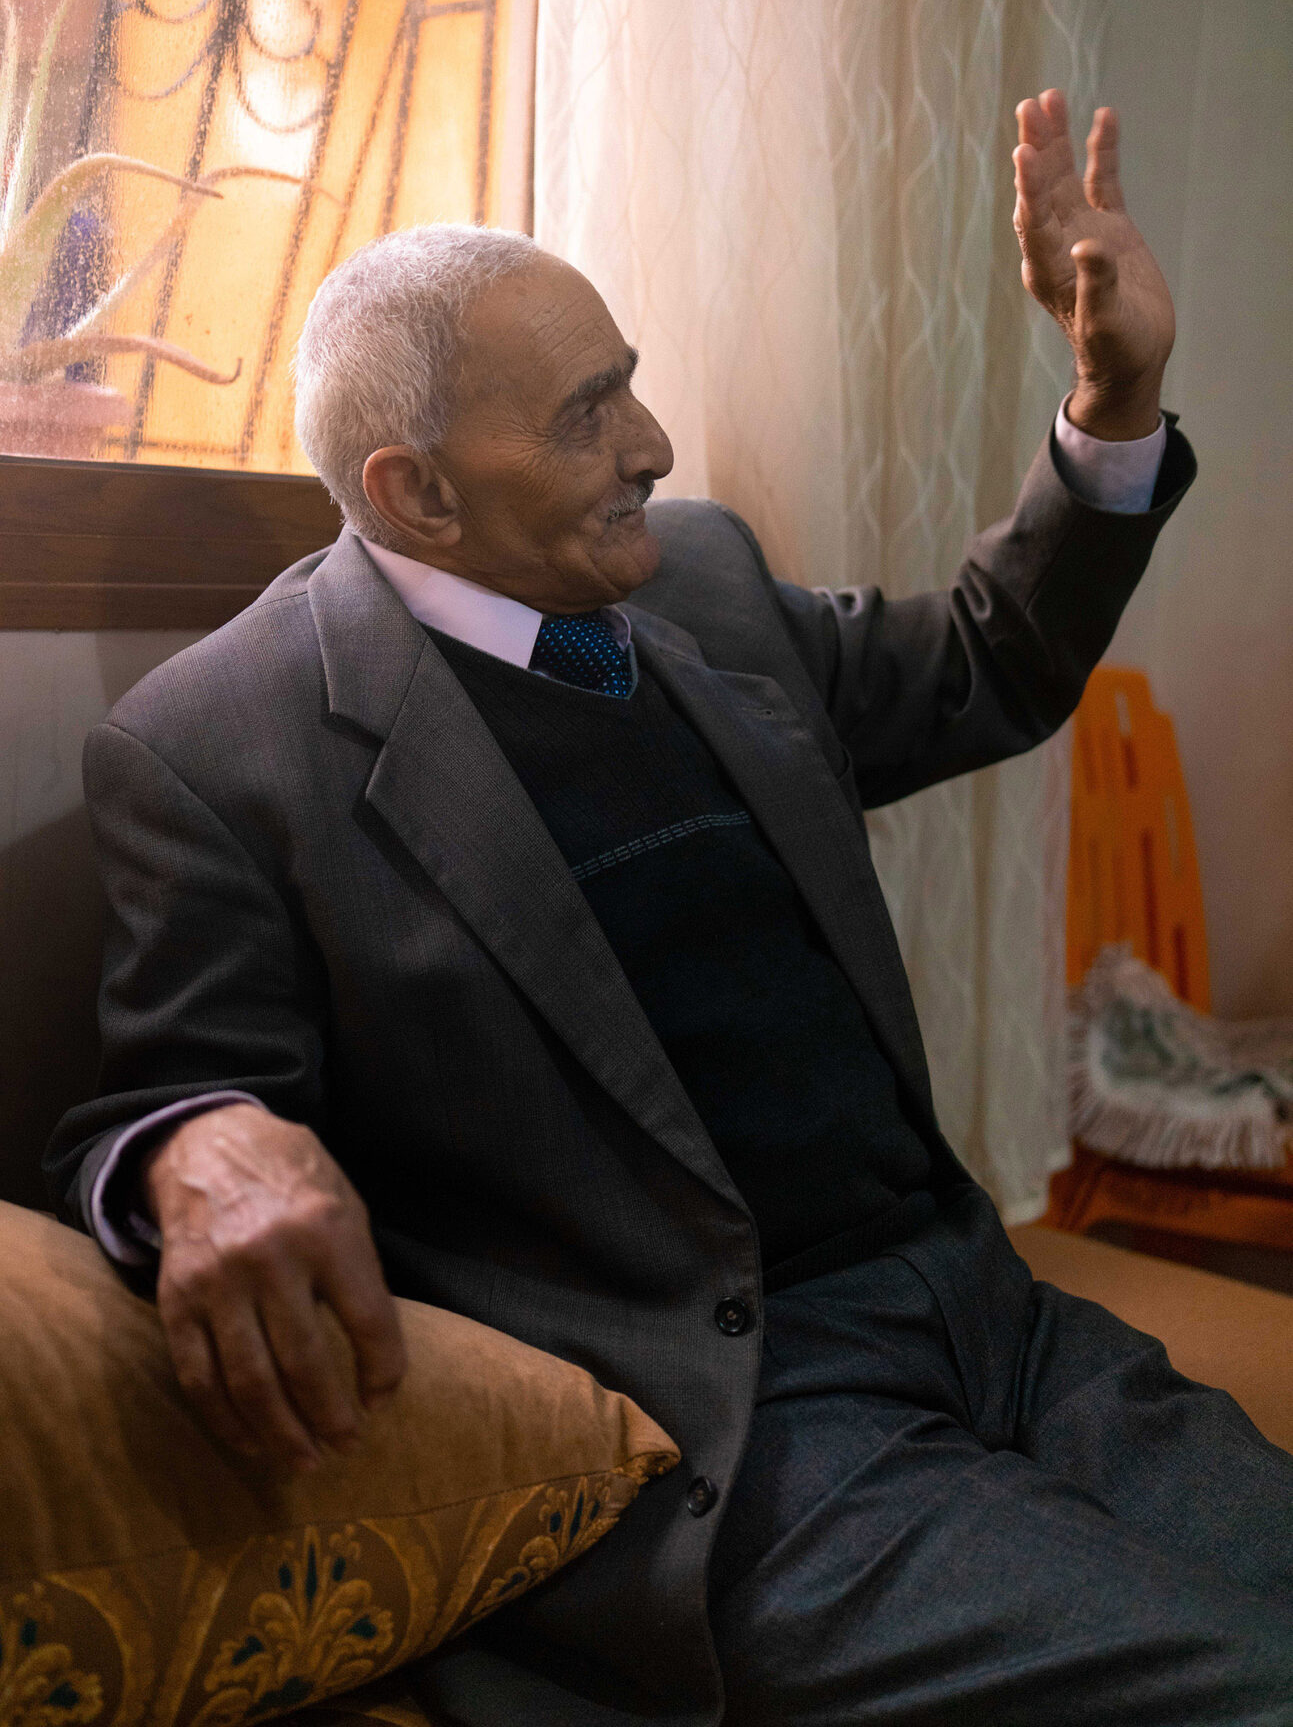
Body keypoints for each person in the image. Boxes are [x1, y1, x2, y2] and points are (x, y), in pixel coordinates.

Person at [47, 90, 1293, 1724]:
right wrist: (195, 1141)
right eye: (585, 414)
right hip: (748, 1414)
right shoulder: (221, 745)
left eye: (626, 380)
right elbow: (168, 1099)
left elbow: (983, 665)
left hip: (994, 1313)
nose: (651, 442)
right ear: (414, 492)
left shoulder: (694, 577)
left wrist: (1112, 395)